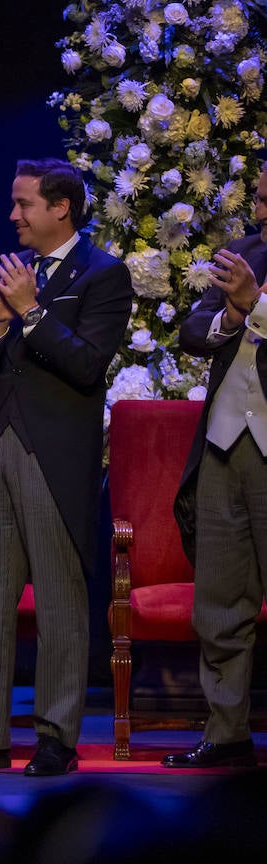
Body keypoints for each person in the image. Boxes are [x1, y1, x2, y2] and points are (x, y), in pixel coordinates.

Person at [0, 158, 132, 776]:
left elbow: (88, 365)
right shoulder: (20, 273)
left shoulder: (103, 274)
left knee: (61, 603)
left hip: (54, 453)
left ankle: (55, 738)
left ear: (60, 207)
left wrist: (33, 311)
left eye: (25, 205)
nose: (13, 216)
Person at [164, 169, 267, 769]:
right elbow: (193, 332)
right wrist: (230, 317)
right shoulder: (245, 252)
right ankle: (227, 734)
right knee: (221, 601)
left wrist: (254, 303)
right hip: (226, 445)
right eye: (254, 197)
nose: (255, 210)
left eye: (264, 200)